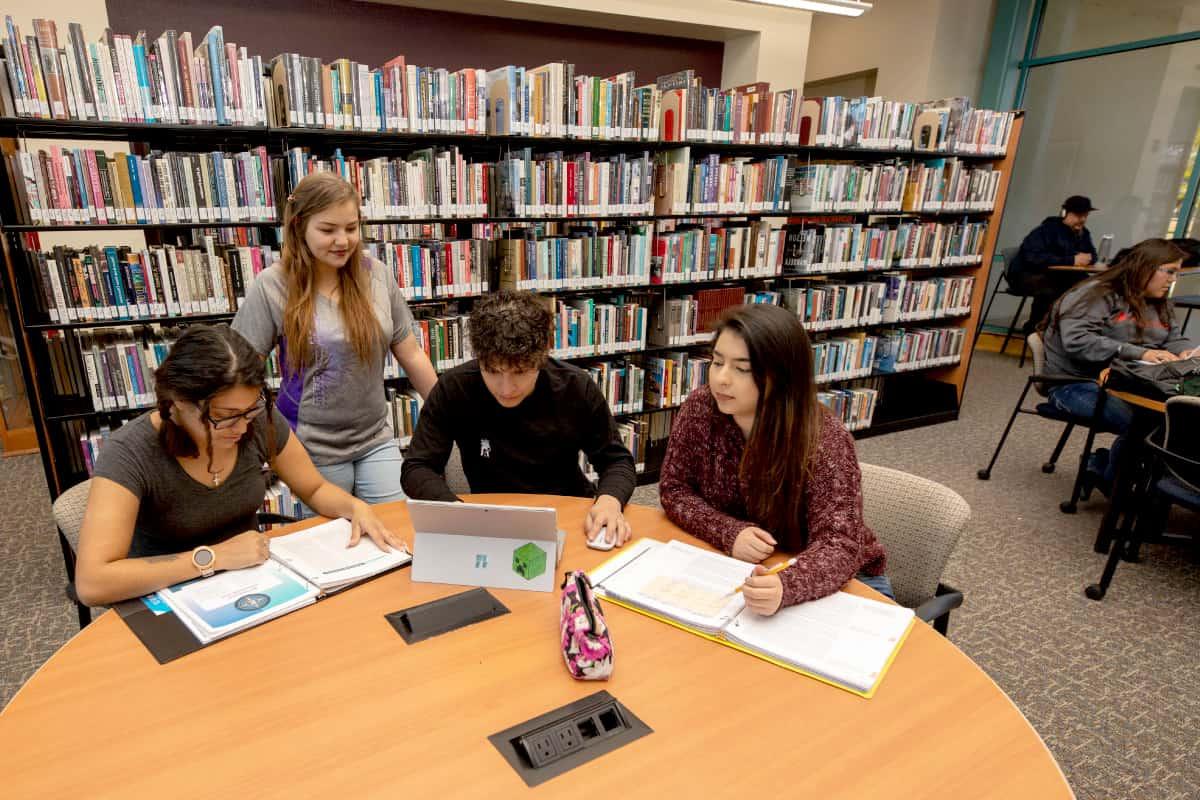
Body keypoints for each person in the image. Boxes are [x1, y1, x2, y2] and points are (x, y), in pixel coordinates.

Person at [74, 325, 406, 607]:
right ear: (176, 404)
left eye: (250, 410)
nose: (244, 427)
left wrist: (354, 506)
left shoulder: (255, 419)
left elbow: (314, 488)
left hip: (254, 583)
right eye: (224, 417)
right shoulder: (129, 452)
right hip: (168, 598)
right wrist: (213, 558)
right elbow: (93, 582)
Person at [657, 304, 889, 616]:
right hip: (750, 570)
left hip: (842, 581)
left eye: (742, 369)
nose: (721, 379)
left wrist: (789, 585)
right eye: (717, 362)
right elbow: (674, 489)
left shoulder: (824, 440)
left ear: (781, 376)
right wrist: (729, 531)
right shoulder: (701, 408)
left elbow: (840, 545)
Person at [233, 172, 437, 509]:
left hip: (375, 436)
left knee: (396, 530)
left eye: (351, 228)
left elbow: (411, 353)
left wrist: (448, 411)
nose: (342, 240)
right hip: (311, 445)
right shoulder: (272, 286)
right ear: (299, 226)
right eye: (328, 230)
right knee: (334, 546)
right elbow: (241, 371)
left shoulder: (377, 275)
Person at [401, 290, 637, 546]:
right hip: (491, 520)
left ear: (542, 357)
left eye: (520, 372)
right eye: (492, 371)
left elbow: (617, 462)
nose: (505, 388)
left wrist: (610, 501)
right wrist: (457, 512)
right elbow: (416, 467)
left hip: (569, 514)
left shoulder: (576, 387)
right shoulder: (454, 388)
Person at [1041, 238, 1197, 487]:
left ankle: (1107, 470)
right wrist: (1139, 353)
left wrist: (1188, 351)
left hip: (1130, 382)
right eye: (1170, 272)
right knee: (1146, 424)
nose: (1172, 280)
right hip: (1075, 383)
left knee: (1175, 420)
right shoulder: (1096, 294)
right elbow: (1077, 341)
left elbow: (1172, 339)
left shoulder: (1159, 302)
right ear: (1146, 267)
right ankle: (1114, 482)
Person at [1008, 195, 1100, 333]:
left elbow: (1092, 254)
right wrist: (1072, 260)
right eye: (1078, 215)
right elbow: (1032, 258)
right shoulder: (1046, 230)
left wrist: (1088, 258)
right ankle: (1036, 329)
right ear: (1065, 213)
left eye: (1085, 215)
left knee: (1090, 286)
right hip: (1028, 275)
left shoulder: (1083, 233)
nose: (1082, 219)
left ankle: (1070, 331)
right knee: (1053, 289)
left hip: (1059, 275)